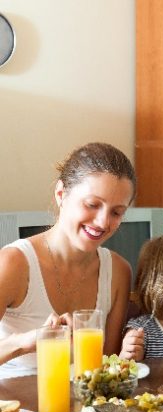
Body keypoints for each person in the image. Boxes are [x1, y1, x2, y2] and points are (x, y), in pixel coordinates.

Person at [0, 142, 136, 378]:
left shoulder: (118, 271)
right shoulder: (14, 263)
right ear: (61, 194)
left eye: (116, 212)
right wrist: (27, 342)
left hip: (84, 410)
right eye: (92, 204)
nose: (103, 222)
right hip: (16, 410)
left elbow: (105, 366)